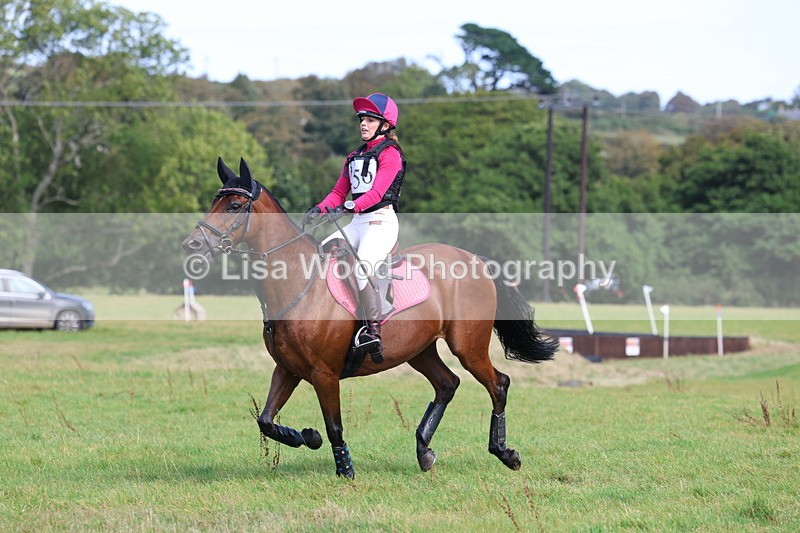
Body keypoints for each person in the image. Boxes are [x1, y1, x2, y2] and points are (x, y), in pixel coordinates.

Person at [302, 93, 406, 364]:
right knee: (320, 255)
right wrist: (320, 209)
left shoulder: (391, 153)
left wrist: (348, 207)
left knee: (363, 268)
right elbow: (338, 192)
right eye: (362, 119)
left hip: (381, 221)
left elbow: (376, 193)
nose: (364, 124)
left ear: (385, 125)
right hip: (357, 222)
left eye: (370, 119)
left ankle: (373, 332)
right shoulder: (354, 156)